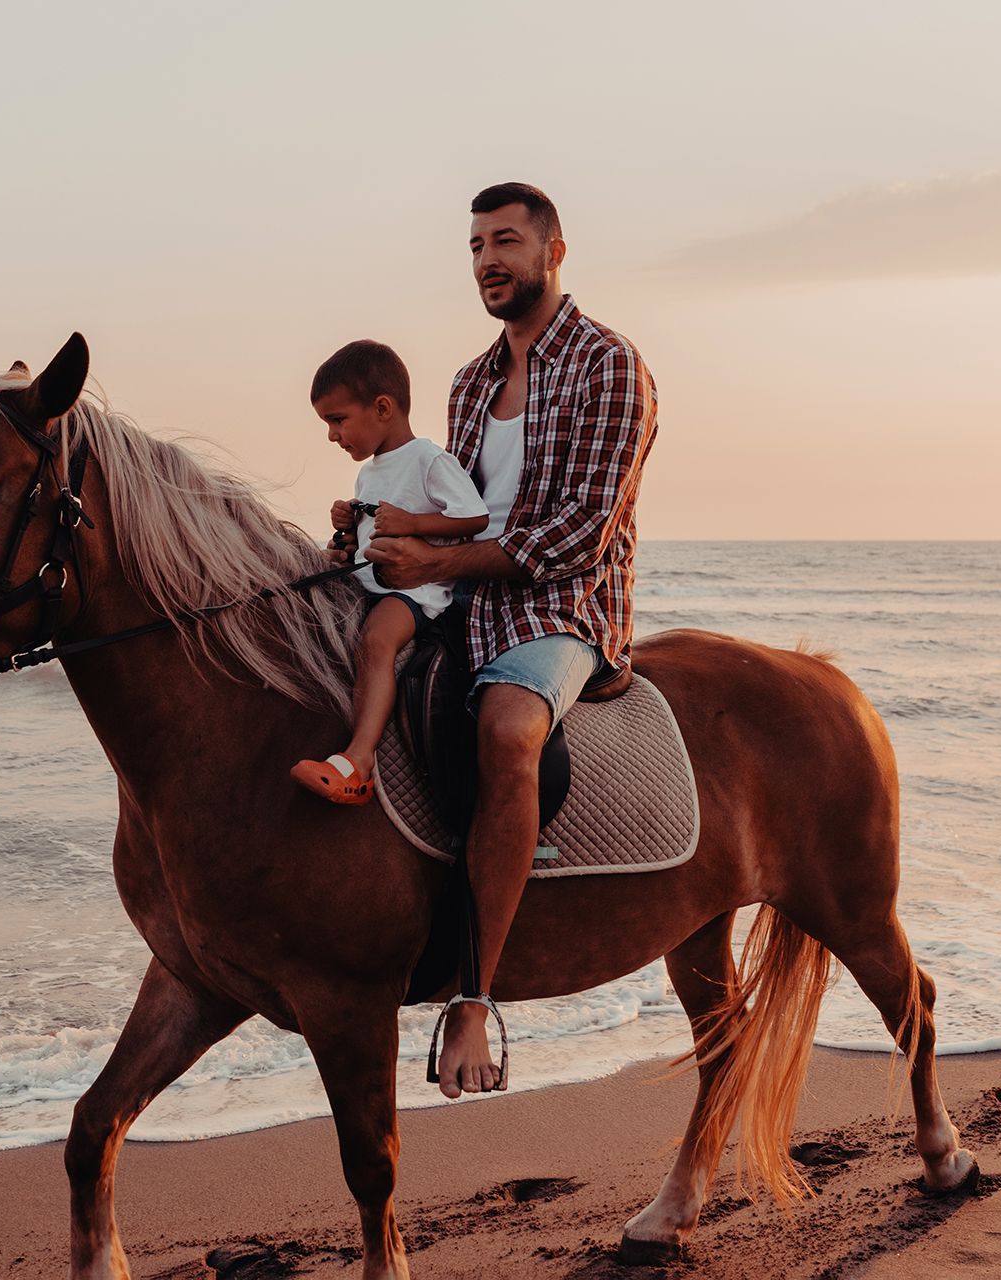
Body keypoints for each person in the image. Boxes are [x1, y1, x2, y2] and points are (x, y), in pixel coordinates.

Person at [364, 183, 659, 1097]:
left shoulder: (609, 365)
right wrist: (389, 539)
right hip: (467, 596)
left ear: (553, 250)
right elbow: (460, 516)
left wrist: (440, 567)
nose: (490, 261)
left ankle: (475, 1000)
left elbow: (581, 532)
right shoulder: (469, 381)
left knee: (505, 730)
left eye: (507, 243)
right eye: (478, 248)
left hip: (564, 608)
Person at [292, 340, 490, 803]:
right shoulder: (370, 472)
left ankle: (358, 762)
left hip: (416, 594)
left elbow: (474, 517)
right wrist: (345, 535)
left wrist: (416, 523)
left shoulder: (428, 459)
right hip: (370, 583)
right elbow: (368, 538)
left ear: (382, 407)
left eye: (337, 420)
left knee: (377, 641)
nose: (332, 436)